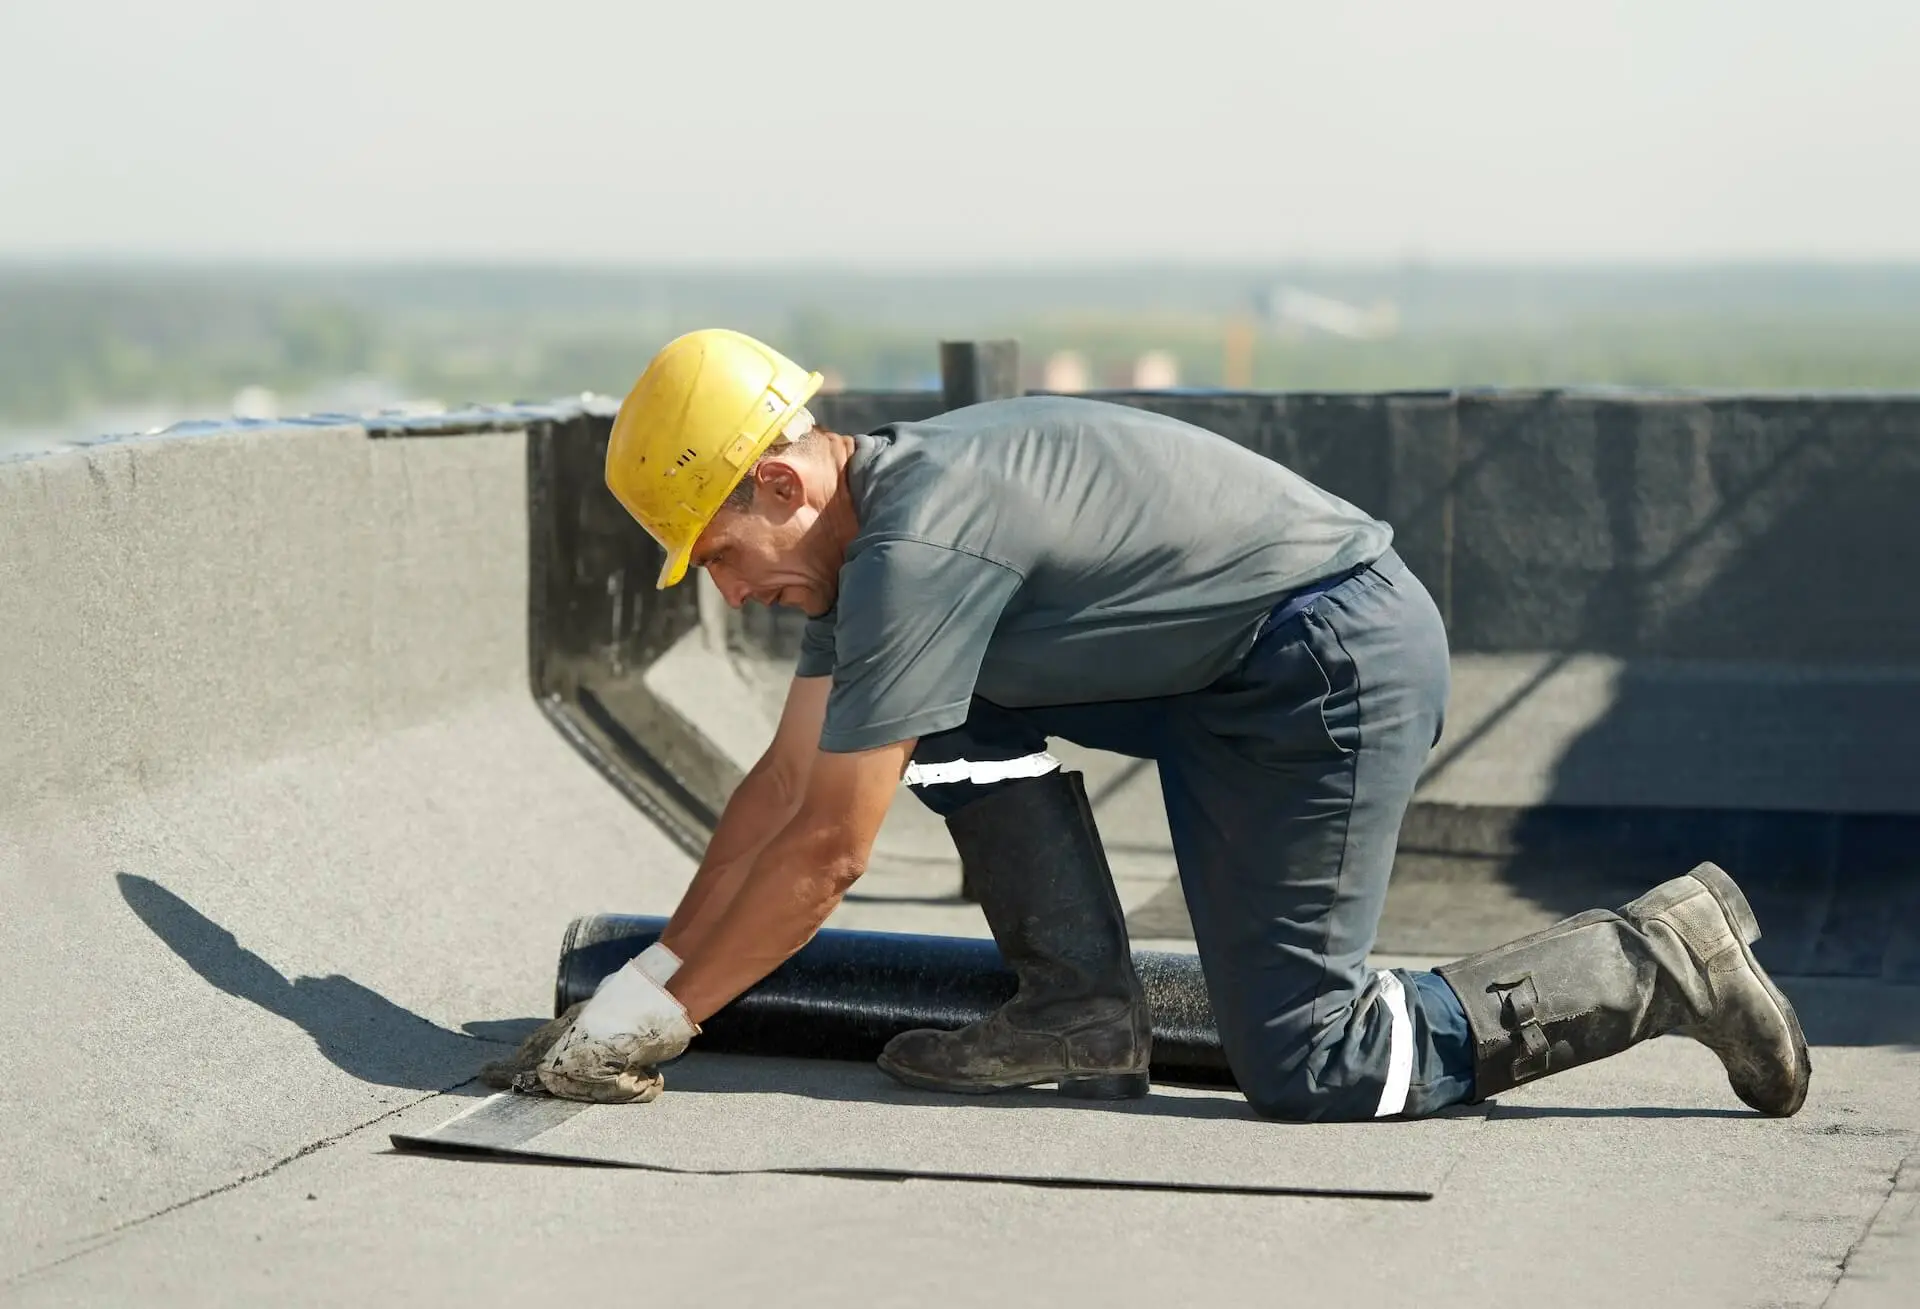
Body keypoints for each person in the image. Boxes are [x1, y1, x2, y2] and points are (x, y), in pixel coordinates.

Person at [528, 328, 1811, 1122]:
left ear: (780, 480)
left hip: (1325, 670)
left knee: (1316, 1064)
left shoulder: (918, 541)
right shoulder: (869, 554)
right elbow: (781, 790)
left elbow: (825, 856)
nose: (731, 589)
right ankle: (1079, 1011)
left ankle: (1653, 961)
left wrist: (661, 1021)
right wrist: (646, 979)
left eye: (722, 551)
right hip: (1226, 675)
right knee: (930, 705)